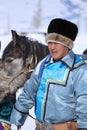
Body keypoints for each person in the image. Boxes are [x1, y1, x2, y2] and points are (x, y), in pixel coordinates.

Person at [10, 18, 87, 130]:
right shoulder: (43, 64)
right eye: (49, 42)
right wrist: (15, 120)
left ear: (67, 45)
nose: (52, 47)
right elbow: (28, 93)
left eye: (57, 43)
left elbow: (84, 103)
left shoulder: (79, 69)